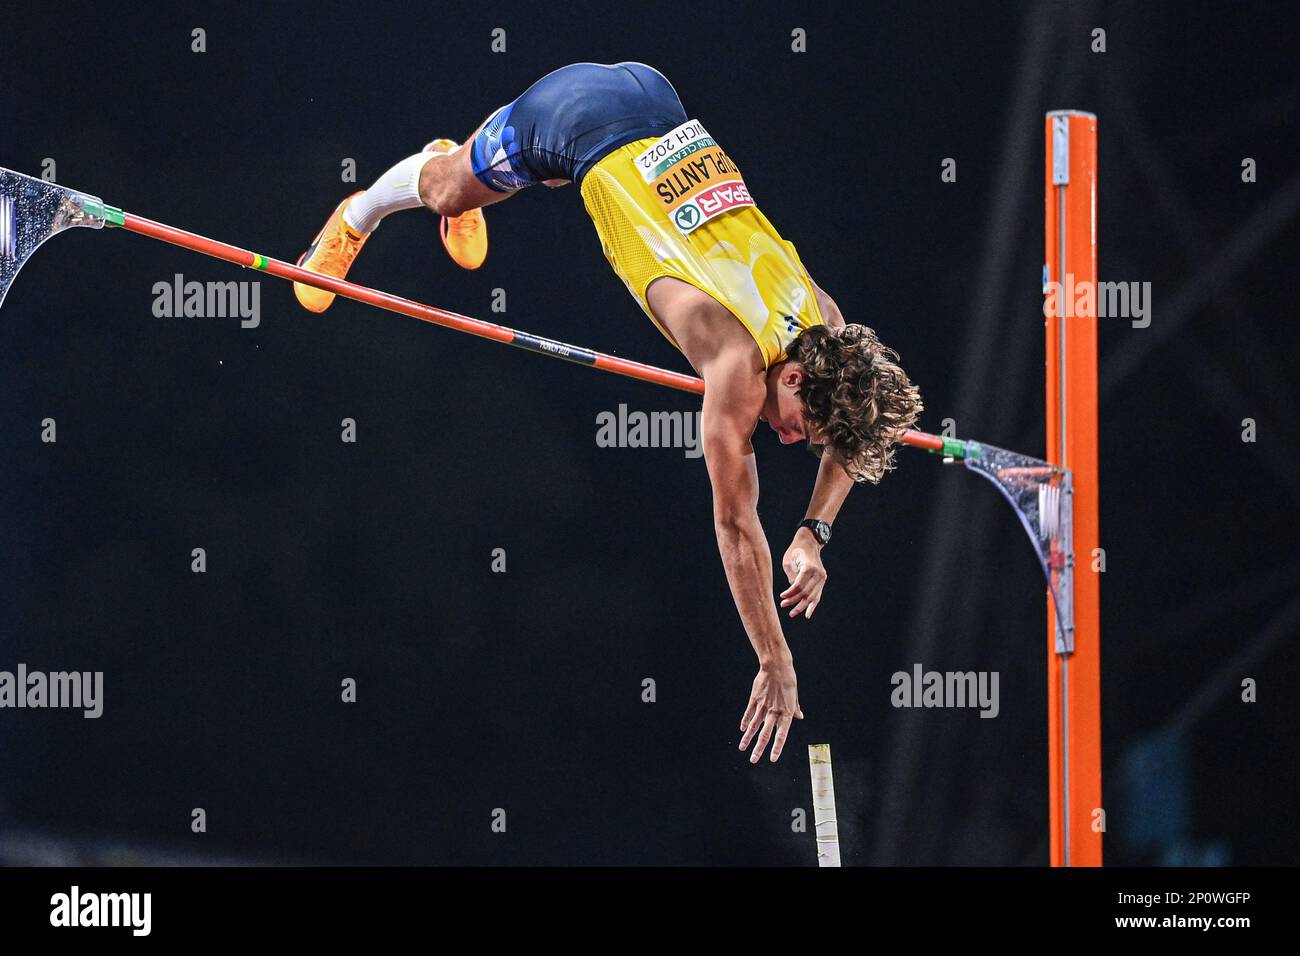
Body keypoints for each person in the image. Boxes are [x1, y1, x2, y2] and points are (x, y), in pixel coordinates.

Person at [293, 61, 922, 764]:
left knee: (493, 173)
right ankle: (358, 213)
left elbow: (863, 423)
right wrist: (775, 660)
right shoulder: (735, 363)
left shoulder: (825, 326)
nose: (785, 437)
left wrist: (814, 532)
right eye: (796, 428)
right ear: (797, 376)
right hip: (577, 123)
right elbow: (736, 526)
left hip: (655, 100)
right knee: (443, 189)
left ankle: (471, 174)